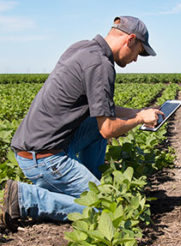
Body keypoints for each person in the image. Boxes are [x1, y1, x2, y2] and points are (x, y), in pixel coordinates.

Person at [0, 16, 163, 232]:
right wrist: (140, 119)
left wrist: (139, 112)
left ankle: (88, 182)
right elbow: (108, 129)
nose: (136, 59)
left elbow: (105, 113)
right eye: (139, 52)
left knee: (95, 123)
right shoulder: (101, 65)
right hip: (44, 158)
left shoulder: (83, 48)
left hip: (35, 146)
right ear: (130, 40)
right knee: (108, 210)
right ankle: (27, 198)